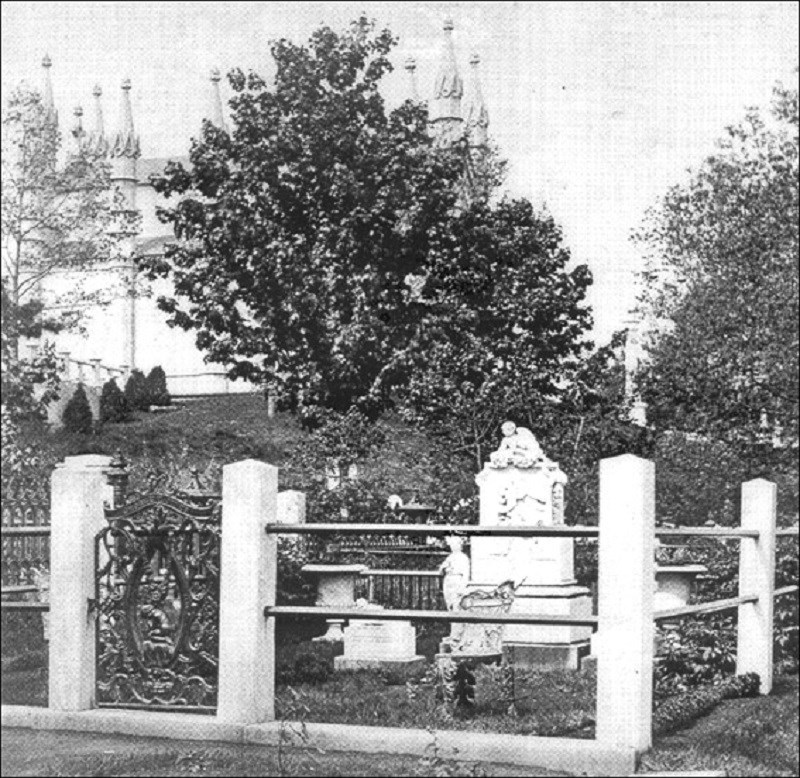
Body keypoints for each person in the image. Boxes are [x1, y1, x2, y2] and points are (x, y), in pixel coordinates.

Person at [439, 536, 470, 610]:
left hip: (457, 582)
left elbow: (466, 574)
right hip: (448, 582)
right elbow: (441, 570)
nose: (452, 546)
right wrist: (445, 569)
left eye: (454, 544)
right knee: (449, 605)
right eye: (452, 544)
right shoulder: (450, 557)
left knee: (457, 605)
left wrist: (462, 587)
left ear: (459, 545)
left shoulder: (463, 557)